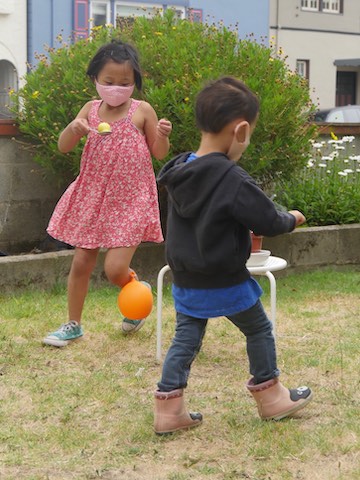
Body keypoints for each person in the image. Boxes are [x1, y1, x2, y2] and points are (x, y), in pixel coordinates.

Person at [153, 76, 312, 435]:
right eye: (250, 133)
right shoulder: (232, 179)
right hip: (225, 278)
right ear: (240, 131)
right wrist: (293, 219)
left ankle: (168, 409)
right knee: (258, 329)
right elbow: (268, 220)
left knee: (185, 339)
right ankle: (271, 397)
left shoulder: (181, 171)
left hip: (187, 278)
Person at [43, 40, 172, 347]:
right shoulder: (89, 110)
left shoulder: (143, 112)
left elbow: (159, 152)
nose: (116, 87)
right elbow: (64, 146)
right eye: (109, 82)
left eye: (125, 82)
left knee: (115, 270)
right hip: (92, 196)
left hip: (131, 200)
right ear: (95, 80)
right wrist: (73, 129)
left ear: (134, 83)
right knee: (81, 264)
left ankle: (135, 292)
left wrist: (163, 136)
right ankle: (73, 324)